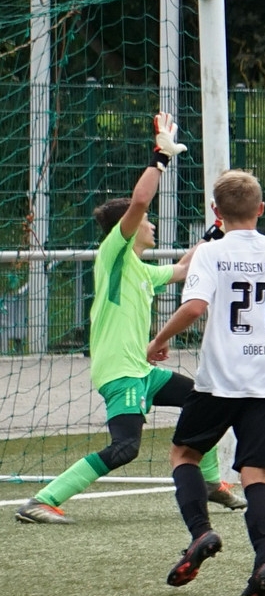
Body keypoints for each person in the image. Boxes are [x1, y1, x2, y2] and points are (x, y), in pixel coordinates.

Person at [14, 112, 245, 525]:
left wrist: (217, 229)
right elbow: (140, 202)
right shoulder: (114, 255)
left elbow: (184, 267)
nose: (152, 224)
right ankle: (41, 501)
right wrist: (160, 158)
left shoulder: (140, 268)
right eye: (146, 222)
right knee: (125, 449)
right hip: (120, 373)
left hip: (141, 369)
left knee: (204, 401)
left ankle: (210, 483)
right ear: (130, 227)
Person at [146, 169, 265, 596]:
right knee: (256, 476)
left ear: (216, 211)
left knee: (184, 454)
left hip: (220, 380)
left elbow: (196, 307)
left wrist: (158, 340)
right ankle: (264, 562)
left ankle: (201, 532)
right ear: (261, 209)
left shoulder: (210, 253)